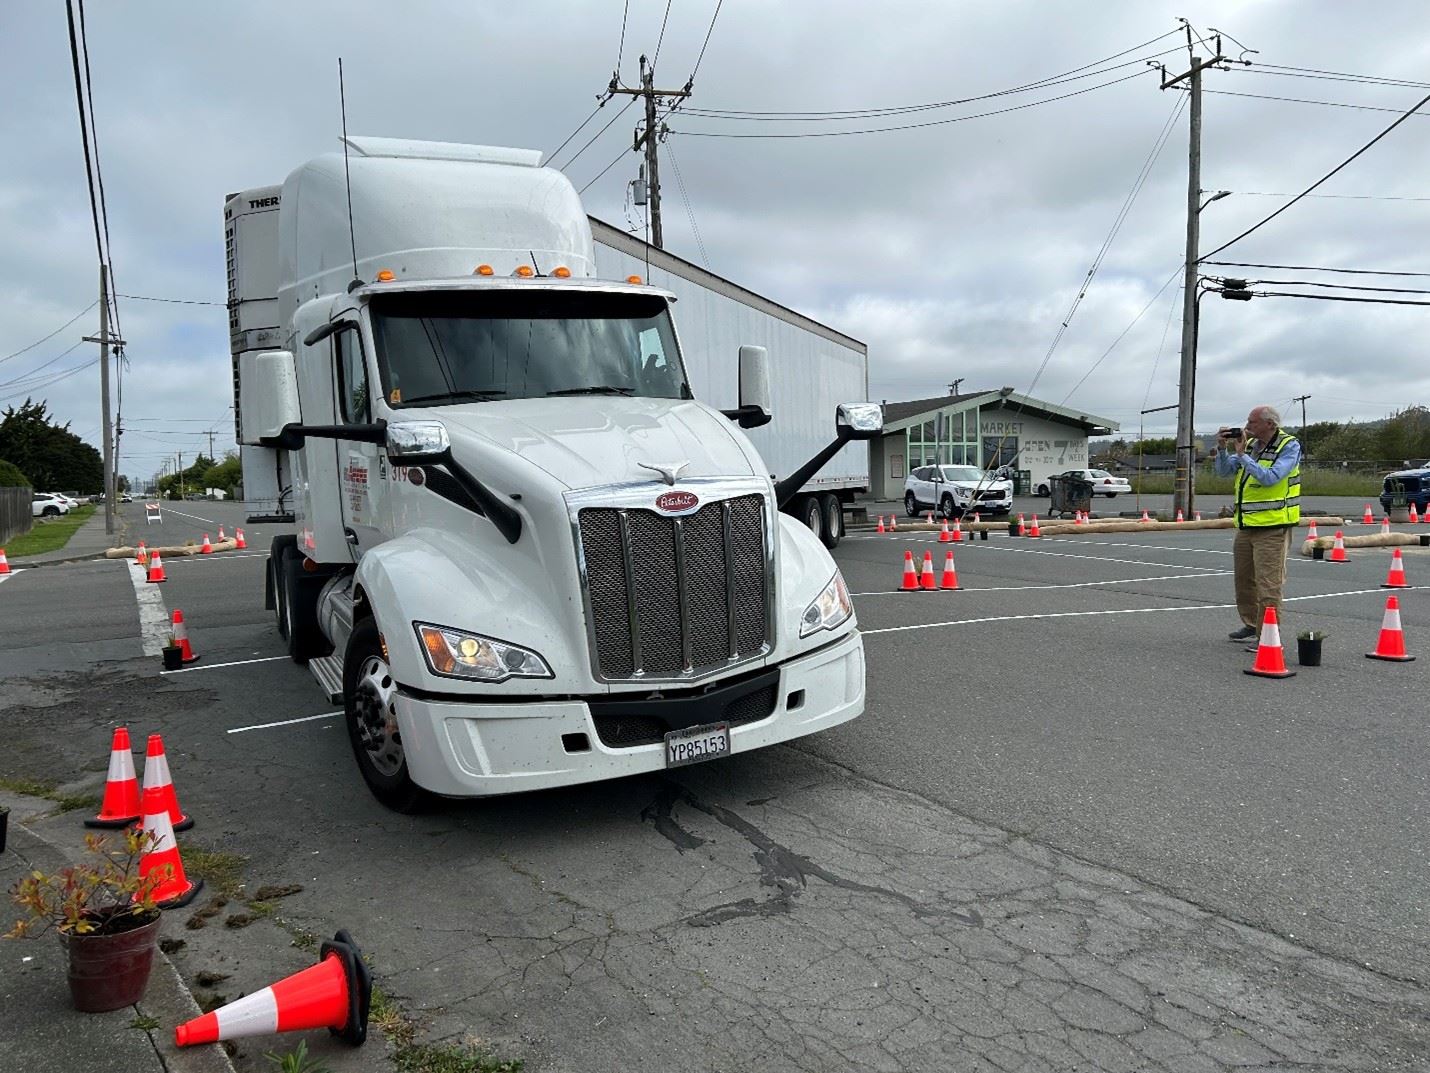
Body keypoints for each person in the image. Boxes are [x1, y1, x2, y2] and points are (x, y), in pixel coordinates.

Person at [1214, 404, 1302, 644]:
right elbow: (1222, 472)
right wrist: (1222, 449)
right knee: (1244, 581)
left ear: (1269, 424)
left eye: (1252, 422)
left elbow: (1270, 478)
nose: (1247, 426)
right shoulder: (1250, 445)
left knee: (1268, 586)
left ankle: (1268, 636)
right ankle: (1252, 624)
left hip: (1273, 525)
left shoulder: (1289, 446)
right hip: (1247, 524)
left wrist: (1243, 456)